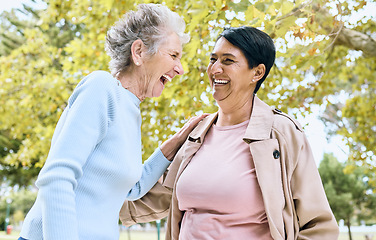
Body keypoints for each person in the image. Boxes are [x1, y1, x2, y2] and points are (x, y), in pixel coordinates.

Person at [119, 26, 339, 239]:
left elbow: (318, 226)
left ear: (257, 72)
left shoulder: (281, 133)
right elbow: (149, 200)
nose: (215, 69)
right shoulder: (196, 134)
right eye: (213, 59)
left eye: (228, 61)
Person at [18, 4, 207, 240]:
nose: (179, 69)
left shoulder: (131, 110)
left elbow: (131, 189)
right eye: (173, 55)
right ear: (138, 52)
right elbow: (57, 177)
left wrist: (177, 141)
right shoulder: (102, 88)